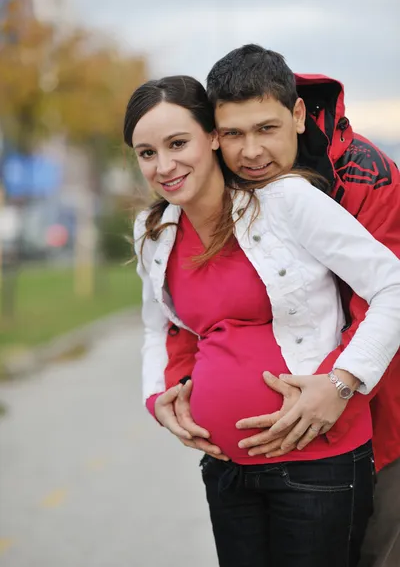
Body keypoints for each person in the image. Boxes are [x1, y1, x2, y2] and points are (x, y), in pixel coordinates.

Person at [124, 73, 400, 566]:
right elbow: (158, 328)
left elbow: (393, 287)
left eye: (177, 143)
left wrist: (340, 383)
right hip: (227, 469)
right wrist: (156, 396)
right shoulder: (156, 231)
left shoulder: (285, 202)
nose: (163, 165)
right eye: (147, 153)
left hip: (318, 462)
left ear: (212, 137)